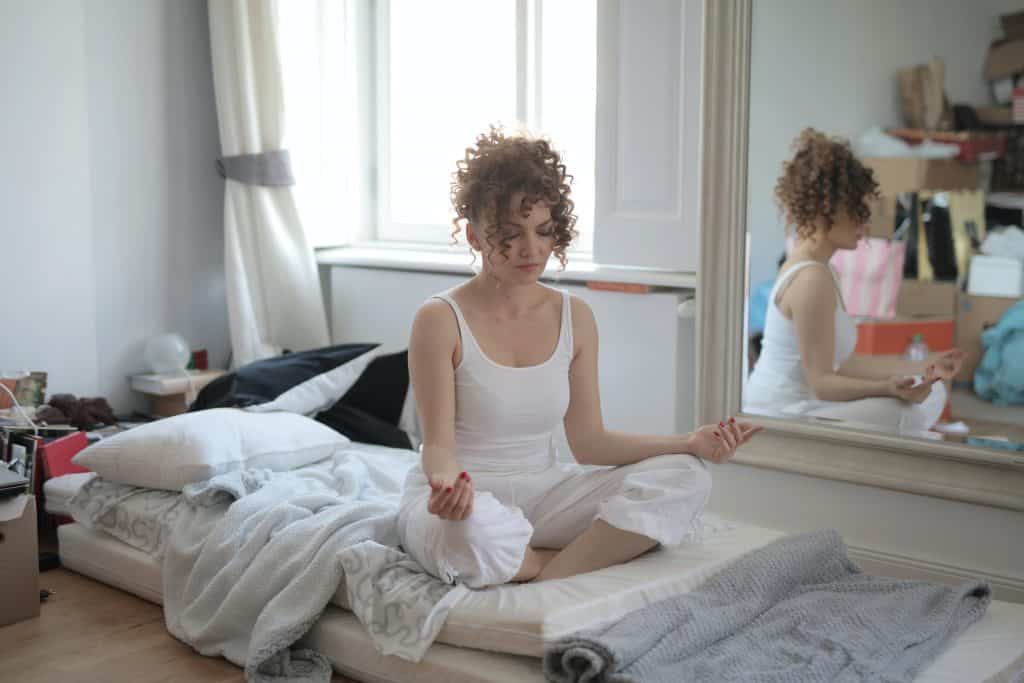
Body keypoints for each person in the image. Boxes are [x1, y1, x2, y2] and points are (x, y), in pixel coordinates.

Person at [395, 127, 762, 588]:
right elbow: (440, 447)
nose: (532, 250)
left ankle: (543, 572)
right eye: (510, 234)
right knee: (469, 535)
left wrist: (689, 442)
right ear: (473, 235)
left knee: (687, 478)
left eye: (544, 231)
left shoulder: (575, 316)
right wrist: (447, 489)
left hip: (545, 492)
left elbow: (590, 443)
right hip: (469, 500)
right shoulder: (439, 318)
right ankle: (560, 559)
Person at [743, 128, 965, 436]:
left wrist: (922, 367)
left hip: (807, 403)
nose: (866, 222)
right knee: (905, 415)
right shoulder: (811, 279)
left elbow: (844, 363)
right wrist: (887, 389)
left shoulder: (823, 269)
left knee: (932, 393)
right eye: (858, 211)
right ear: (825, 210)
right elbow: (822, 384)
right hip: (782, 412)